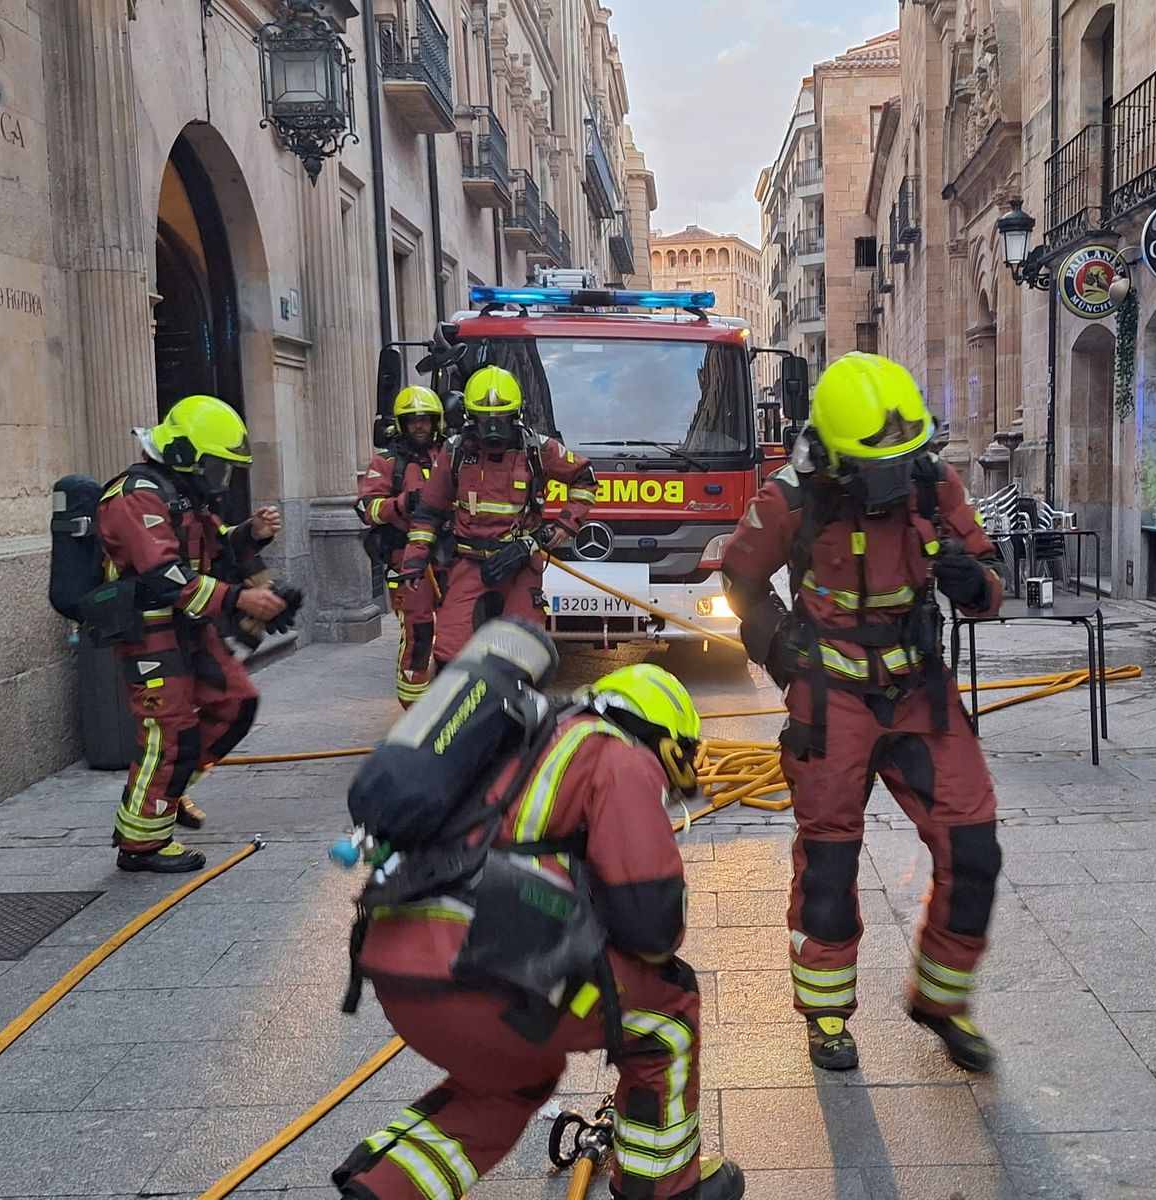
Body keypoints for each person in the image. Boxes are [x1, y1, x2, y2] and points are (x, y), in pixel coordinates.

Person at [335, 663, 745, 1200]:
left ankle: (383, 1189)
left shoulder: (524, 740)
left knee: (510, 1081)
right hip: (485, 967)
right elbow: (651, 925)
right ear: (667, 739)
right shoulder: (617, 754)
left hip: (398, 967)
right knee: (668, 1015)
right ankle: (665, 1186)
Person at [721, 351, 1005, 1073]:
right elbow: (742, 578)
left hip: (920, 697)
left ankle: (941, 999)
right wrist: (779, 651)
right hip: (832, 705)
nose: (892, 481)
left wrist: (973, 581)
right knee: (828, 863)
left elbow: (989, 584)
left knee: (973, 848)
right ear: (838, 452)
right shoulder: (792, 496)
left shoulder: (932, 480)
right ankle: (825, 1013)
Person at [97, 395, 288, 873]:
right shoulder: (135, 495)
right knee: (170, 733)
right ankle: (141, 843)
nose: (221, 477)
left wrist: (253, 533)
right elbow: (166, 576)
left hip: (189, 626)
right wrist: (239, 600)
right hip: (150, 630)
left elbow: (217, 548)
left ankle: (168, 792)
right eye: (217, 465)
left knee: (237, 703)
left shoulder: (182, 492)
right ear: (184, 452)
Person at [401, 366, 597, 665]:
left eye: (501, 419)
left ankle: (518, 707)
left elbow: (585, 478)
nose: (493, 427)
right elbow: (430, 509)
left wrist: (559, 530)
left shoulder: (537, 449)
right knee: (449, 650)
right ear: (469, 417)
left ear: (516, 415)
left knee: (525, 651)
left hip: (520, 562)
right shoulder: (455, 452)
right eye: (483, 418)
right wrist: (414, 560)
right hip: (468, 563)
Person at [356, 386, 447, 708]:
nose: (420, 427)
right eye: (413, 421)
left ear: (437, 422)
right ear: (402, 424)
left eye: (425, 420)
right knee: (419, 631)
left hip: (450, 556)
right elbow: (367, 509)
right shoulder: (386, 463)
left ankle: (453, 701)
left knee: (458, 631)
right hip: (406, 560)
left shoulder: (452, 454)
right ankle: (414, 706)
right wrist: (405, 503)